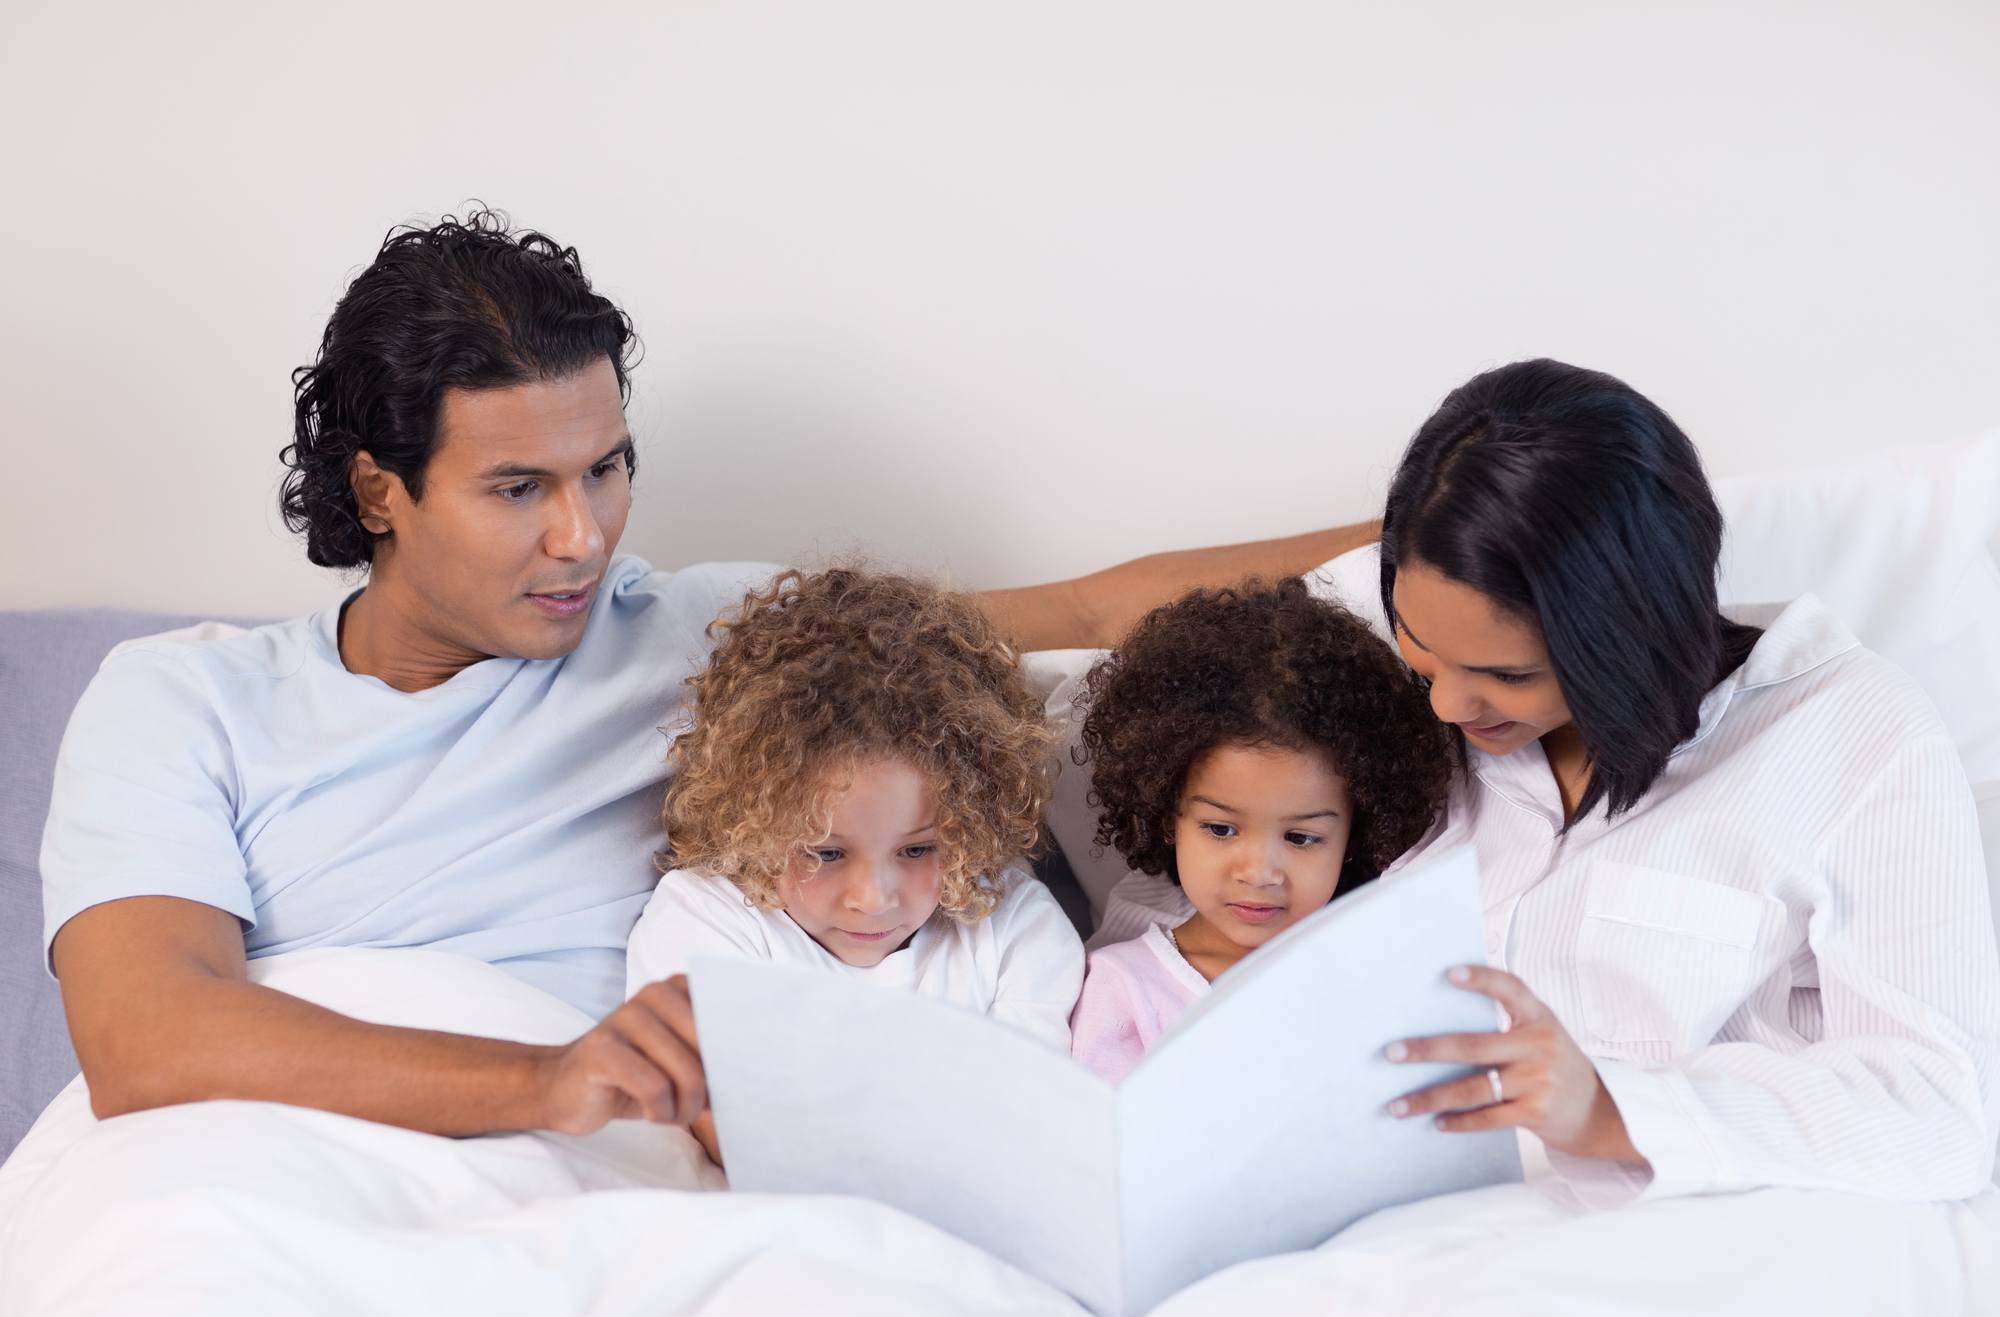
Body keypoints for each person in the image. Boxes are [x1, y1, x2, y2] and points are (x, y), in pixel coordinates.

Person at [35, 208, 1372, 1145]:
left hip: (597, 1160)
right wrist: (545, 1078)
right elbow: (150, 1038)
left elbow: (1089, 604)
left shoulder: (721, 646)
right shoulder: (180, 700)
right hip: (304, 1150)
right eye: (519, 488)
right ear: (379, 490)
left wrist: (1435, 543)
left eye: (606, 467)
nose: (585, 534)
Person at [1339, 359, 1999, 1203]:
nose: (1444, 701)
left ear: (1626, 632)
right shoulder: (1431, 614)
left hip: (1695, 1240)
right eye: (1417, 648)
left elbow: (1939, 1114)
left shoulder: (1856, 735)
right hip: (1400, 1228)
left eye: (1505, 674)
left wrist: (1614, 1108)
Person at [626, 567, 1085, 1157]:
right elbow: (734, 1129)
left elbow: (1024, 1120)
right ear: (752, 822)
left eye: (918, 849)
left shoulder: (1016, 927)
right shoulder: (703, 919)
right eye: (826, 852)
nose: (873, 897)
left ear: (975, 825)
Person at [1065, 578, 1452, 1082]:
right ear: (1166, 817)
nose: (1260, 872)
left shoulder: (1380, 969)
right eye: (1222, 829)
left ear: (1355, 834)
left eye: (1301, 838)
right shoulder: (1119, 988)